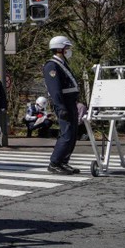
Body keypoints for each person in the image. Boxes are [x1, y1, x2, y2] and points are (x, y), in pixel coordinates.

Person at [43, 35, 81, 175]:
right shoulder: (52, 65)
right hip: (64, 104)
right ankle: (55, 162)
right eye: (67, 48)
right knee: (67, 134)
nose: (69, 50)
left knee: (73, 133)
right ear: (59, 48)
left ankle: (64, 162)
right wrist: (60, 107)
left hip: (70, 103)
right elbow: (55, 90)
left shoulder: (62, 63)